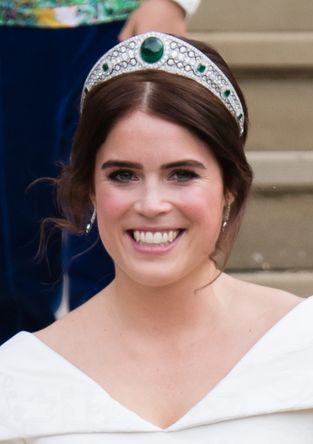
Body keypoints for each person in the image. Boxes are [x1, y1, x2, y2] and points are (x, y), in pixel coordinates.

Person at [1, 31, 313, 442]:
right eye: (123, 175)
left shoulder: (308, 344)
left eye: (182, 174)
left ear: (229, 189)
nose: (152, 204)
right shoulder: (21, 378)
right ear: (91, 189)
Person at [0, 0, 201, 345]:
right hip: (9, 29)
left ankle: (112, 359)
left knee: (119, 204)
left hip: (118, 23)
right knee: (12, 229)